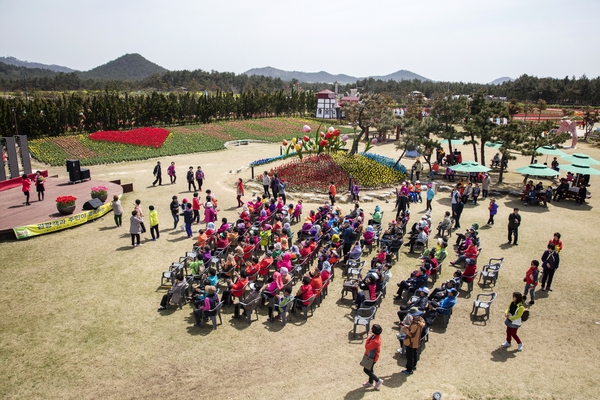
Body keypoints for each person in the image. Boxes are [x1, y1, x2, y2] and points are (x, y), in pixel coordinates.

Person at [401, 310, 425, 375]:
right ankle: (414, 366)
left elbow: (411, 334)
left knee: (410, 356)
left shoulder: (415, 324)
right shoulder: (420, 320)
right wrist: (407, 326)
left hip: (411, 342)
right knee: (415, 353)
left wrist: (405, 329)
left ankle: (409, 370)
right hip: (416, 341)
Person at [362, 324, 384, 389]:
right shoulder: (376, 336)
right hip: (371, 357)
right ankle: (370, 382)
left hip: (371, 358)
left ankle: (377, 380)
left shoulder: (375, 341)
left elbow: (367, 347)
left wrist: (368, 337)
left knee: (366, 370)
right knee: (370, 369)